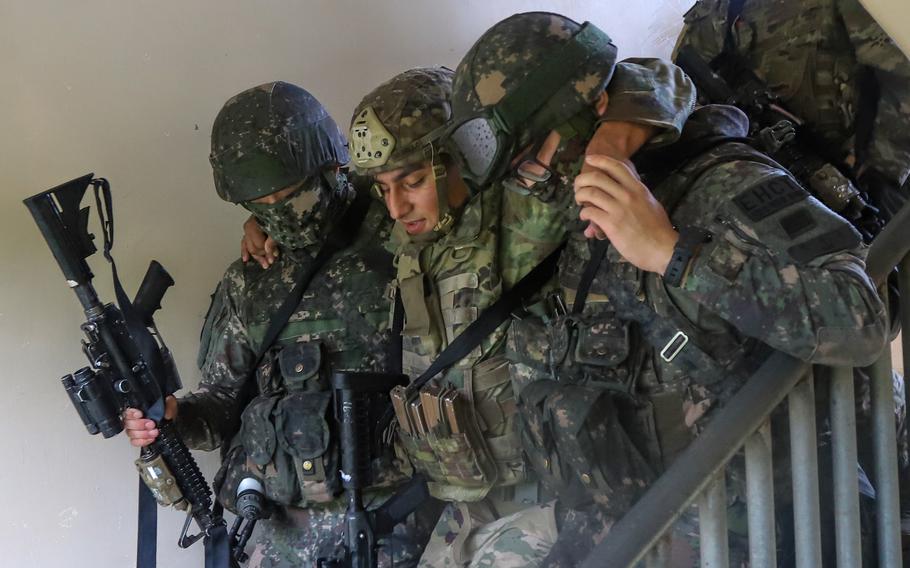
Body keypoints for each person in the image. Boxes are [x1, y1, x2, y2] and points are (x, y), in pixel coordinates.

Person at [445, 11, 890, 567]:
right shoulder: (590, 202)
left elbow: (860, 319)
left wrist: (674, 254)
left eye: (532, 157)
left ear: (591, 111)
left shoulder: (726, 183)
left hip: (763, 537)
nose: (533, 180)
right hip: (646, 531)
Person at [337, 44, 696, 566]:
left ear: (462, 154)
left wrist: (612, 143)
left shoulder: (521, 209)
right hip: (461, 503)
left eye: (413, 181)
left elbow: (661, 78)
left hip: (542, 499)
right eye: (384, 188)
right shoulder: (404, 229)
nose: (396, 206)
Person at [123, 81, 430, 567]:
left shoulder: (404, 232)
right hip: (278, 537)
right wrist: (172, 418)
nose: (275, 217)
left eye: (286, 197)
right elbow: (222, 406)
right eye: (258, 207)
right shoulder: (252, 276)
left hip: (398, 528)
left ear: (329, 166)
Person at [674, 0, 910, 222]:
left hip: (869, 183)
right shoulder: (704, 22)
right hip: (782, 195)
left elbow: (902, 75)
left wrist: (880, 169)